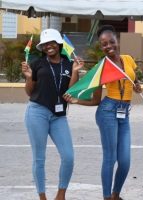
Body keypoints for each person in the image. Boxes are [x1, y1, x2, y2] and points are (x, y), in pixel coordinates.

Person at [64, 25, 142, 200]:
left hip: (124, 113)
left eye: (111, 42)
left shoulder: (128, 59)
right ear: (101, 47)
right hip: (107, 112)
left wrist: (137, 87)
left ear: (118, 41)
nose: (108, 46)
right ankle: (107, 196)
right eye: (104, 44)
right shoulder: (102, 67)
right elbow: (96, 100)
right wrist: (77, 101)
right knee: (110, 157)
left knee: (125, 161)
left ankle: (116, 194)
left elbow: (134, 81)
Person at [21, 28, 84, 200]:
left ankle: (60, 194)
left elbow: (71, 91)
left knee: (69, 157)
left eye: (52, 43)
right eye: (45, 44)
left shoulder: (69, 63)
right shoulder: (37, 64)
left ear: (59, 44)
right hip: (37, 112)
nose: (49, 46)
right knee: (39, 159)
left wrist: (76, 71)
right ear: (42, 47)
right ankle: (42, 197)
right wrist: (28, 77)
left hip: (59, 116)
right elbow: (29, 92)